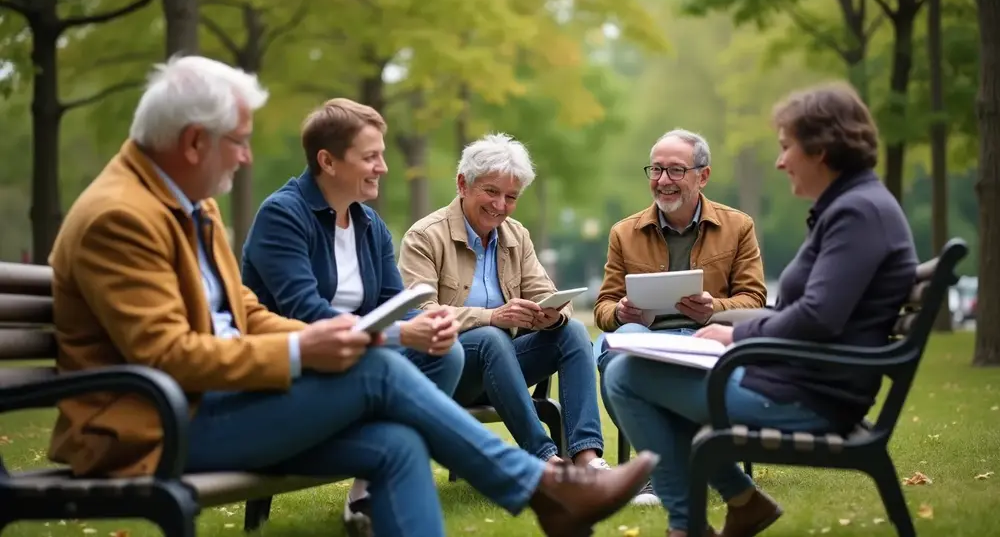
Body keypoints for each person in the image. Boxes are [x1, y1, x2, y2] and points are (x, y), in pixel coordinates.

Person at [45, 55, 660, 537]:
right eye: (239, 140)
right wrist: (306, 349)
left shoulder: (190, 204)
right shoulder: (120, 217)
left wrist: (312, 339)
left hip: (215, 404)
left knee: (394, 445)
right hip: (150, 427)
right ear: (192, 142)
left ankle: (551, 485)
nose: (248, 154)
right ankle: (545, 487)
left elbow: (243, 312)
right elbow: (166, 355)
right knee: (377, 373)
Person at [603, 82, 919, 537]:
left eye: (788, 147)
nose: (780, 160)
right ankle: (739, 502)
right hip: (798, 379)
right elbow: (812, 311)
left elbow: (817, 316)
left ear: (822, 150)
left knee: (626, 377)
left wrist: (733, 335)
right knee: (633, 368)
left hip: (811, 397)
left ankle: (696, 520)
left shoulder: (857, 212)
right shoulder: (853, 206)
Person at [240, 98, 464, 534]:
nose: (382, 167)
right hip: (298, 363)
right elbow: (306, 314)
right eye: (370, 157)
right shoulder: (282, 215)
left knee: (447, 354)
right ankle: (527, 477)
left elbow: (390, 303)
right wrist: (403, 334)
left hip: (360, 356)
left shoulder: (369, 224)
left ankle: (366, 492)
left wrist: (427, 325)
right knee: (402, 360)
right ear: (328, 161)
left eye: (381, 154)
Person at [397, 132, 608, 471]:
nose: (500, 206)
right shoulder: (424, 237)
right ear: (463, 184)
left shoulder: (516, 235)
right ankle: (545, 461)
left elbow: (547, 293)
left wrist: (550, 315)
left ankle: (587, 459)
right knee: (490, 337)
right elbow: (418, 313)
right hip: (448, 372)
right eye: (491, 192)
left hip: (504, 371)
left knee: (573, 333)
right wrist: (491, 317)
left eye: (511, 197)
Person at [592, 128, 767, 504]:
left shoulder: (738, 226)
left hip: (705, 338)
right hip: (647, 337)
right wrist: (620, 311)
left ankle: (664, 469)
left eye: (675, 170)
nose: (663, 181)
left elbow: (754, 300)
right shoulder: (624, 232)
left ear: (702, 175)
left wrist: (714, 309)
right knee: (612, 349)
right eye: (656, 170)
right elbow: (603, 308)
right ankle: (669, 465)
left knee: (638, 361)